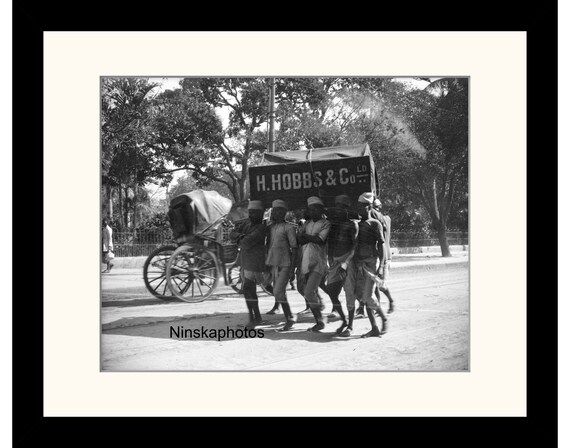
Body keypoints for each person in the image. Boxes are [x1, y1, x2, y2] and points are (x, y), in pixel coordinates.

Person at [339, 192, 388, 338]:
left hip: (371, 262)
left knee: (368, 296)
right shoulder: (358, 225)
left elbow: (381, 246)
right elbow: (355, 247)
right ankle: (374, 328)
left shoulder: (375, 224)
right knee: (363, 297)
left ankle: (384, 319)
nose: (360, 209)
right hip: (359, 264)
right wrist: (347, 263)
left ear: (369, 207)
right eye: (358, 207)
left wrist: (381, 266)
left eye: (363, 207)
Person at [319, 194, 358, 335]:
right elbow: (330, 242)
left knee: (349, 293)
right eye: (338, 206)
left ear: (347, 209)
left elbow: (355, 246)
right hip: (335, 262)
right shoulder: (333, 225)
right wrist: (330, 258)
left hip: (348, 262)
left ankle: (350, 326)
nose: (340, 209)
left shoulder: (352, 224)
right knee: (331, 291)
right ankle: (344, 320)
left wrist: (346, 262)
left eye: (343, 207)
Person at [230, 200, 270, 328]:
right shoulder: (247, 225)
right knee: (248, 290)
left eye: (255, 213)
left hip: (257, 263)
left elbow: (245, 242)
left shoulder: (261, 227)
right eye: (250, 212)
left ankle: (257, 317)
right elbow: (232, 234)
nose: (251, 215)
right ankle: (254, 317)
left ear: (261, 214)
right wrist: (242, 237)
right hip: (248, 262)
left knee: (266, 288)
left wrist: (240, 237)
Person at [296, 196, 331, 332]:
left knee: (309, 291)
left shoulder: (325, 223)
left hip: (318, 262)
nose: (312, 212)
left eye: (315, 209)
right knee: (307, 290)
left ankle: (321, 320)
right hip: (305, 260)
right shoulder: (307, 224)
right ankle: (320, 318)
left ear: (321, 209)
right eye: (310, 209)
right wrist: (306, 237)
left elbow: (321, 240)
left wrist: (306, 237)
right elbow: (300, 239)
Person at [265, 199, 299, 331]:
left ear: (284, 213)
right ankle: (287, 314)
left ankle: (290, 317)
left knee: (278, 290)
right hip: (273, 263)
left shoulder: (289, 227)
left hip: (285, 263)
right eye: (274, 211)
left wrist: (292, 268)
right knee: (277, 290)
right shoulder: (271, 227)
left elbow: (294, 248)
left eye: (279, 211)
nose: (276, 214)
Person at [371, 198, 395, 314]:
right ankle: (378, 306)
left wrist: (370, 208)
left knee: (380, 284)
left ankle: (391, 300)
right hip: (377, 255)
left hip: (385, 256)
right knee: (374, 284)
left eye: (375, 207)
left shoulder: (385, 219)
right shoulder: (374, 220)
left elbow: (379, 217)